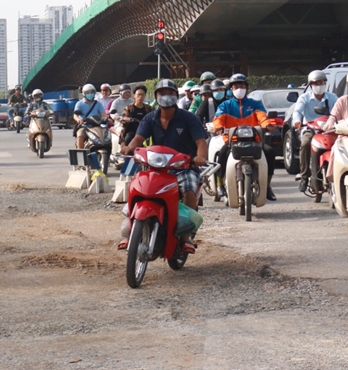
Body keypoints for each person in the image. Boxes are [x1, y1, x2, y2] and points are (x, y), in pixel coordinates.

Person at [121, 80, 208, 253]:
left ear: (176, 96)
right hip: (157, 167)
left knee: (189, 189)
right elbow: (138, 139)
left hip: (184, 167)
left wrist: (200, 157)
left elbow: (200, 142)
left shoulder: (188, 118)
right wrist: (129, 148)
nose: (166, 96)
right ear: (156, 97)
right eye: (162, 93)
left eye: (170, 93)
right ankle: (129, 231)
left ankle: (186, 236)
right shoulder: (149, 118)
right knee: (137, 186)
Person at [213, 73, 276, 201]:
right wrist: (218, 128)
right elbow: (218, 119)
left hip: (255, 140)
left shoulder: (255, 104)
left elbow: (262, 117)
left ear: (246, 87)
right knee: (222, 154)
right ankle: (220, 185)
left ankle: (267, 186)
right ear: (231, 89)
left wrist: (267, 125)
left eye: (241, 85)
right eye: (236, 86)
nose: (239, 88)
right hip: (232, 141)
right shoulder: (225, 105)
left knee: (270, 152)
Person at [290, 70, 338, 200]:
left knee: (340, 144)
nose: (319, 85)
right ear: (311, 85)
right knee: (305, 143)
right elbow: (297, 112)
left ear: (325, 83)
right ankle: (304, 175)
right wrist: (297, 121)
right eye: (316, 83)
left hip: (328, 130)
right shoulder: (304, 98)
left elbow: (338, 111)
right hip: (310, 129)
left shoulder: (332, 97)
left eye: (321, 82)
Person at [74, 83, 107, 154]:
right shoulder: (79, 104)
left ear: (94, 93)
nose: (90, 94)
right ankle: (81, 156)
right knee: (80, 136)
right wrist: (78, 120)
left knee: (107, 137)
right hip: (84, 126)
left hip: (96, 126)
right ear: (84, 94)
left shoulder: (98, 104)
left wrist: (106, 119)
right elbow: (75, 115)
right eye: (87, 92)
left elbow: (103, 114)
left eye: (91, 92)